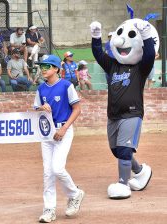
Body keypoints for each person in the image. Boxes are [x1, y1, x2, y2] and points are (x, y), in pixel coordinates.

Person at [90, 19, 155, 199]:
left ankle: (123, 184)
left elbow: (149, 54)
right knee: (117, 151)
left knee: (125, 151)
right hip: (113, 116)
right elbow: (98, 53)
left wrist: (146, 34)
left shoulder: (140, 68)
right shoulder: (112, 65)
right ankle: (140, 171)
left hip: (132, 114)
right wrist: (96, 36)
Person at [34, 55, 84, 223]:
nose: (43, 69)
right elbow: (36, 110)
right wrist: (41, 108)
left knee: (57, 168)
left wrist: (64, 128)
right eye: (42, 66)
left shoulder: (66, 85)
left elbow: (77, 109)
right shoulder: (40, 89)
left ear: (56, 68)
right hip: (46, 132)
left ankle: (75, 194)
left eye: (47, 66)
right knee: (47, 172)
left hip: (63, 129)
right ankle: (49, 209)